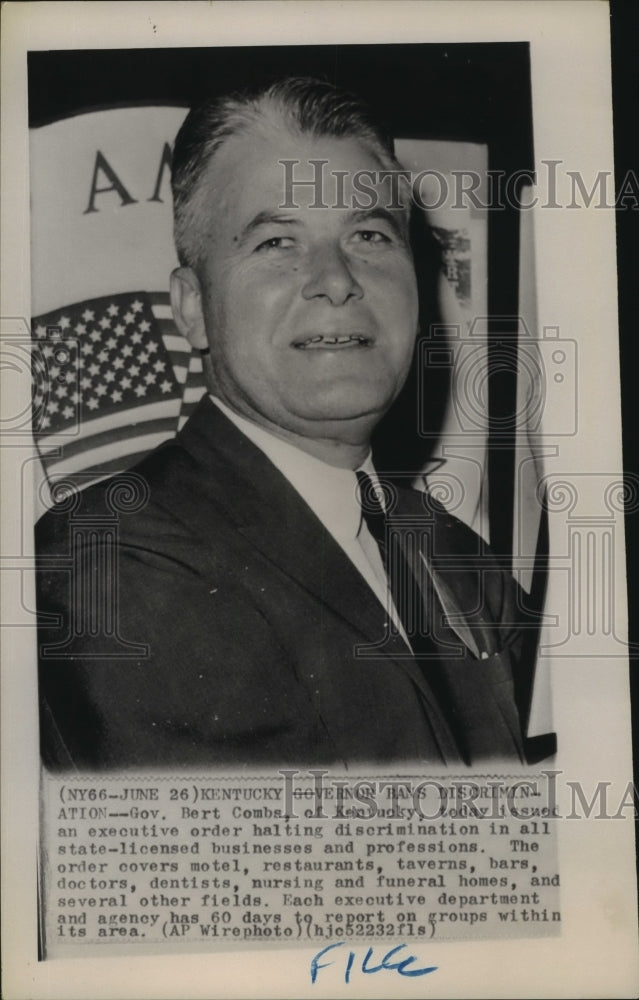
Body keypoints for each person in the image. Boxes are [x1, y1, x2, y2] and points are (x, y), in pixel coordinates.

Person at [36, 77, 528, 771]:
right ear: (192, 308)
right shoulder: (111, 561)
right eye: (276, 242)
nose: (337, 279)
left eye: (368, 235)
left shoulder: (458, 557)